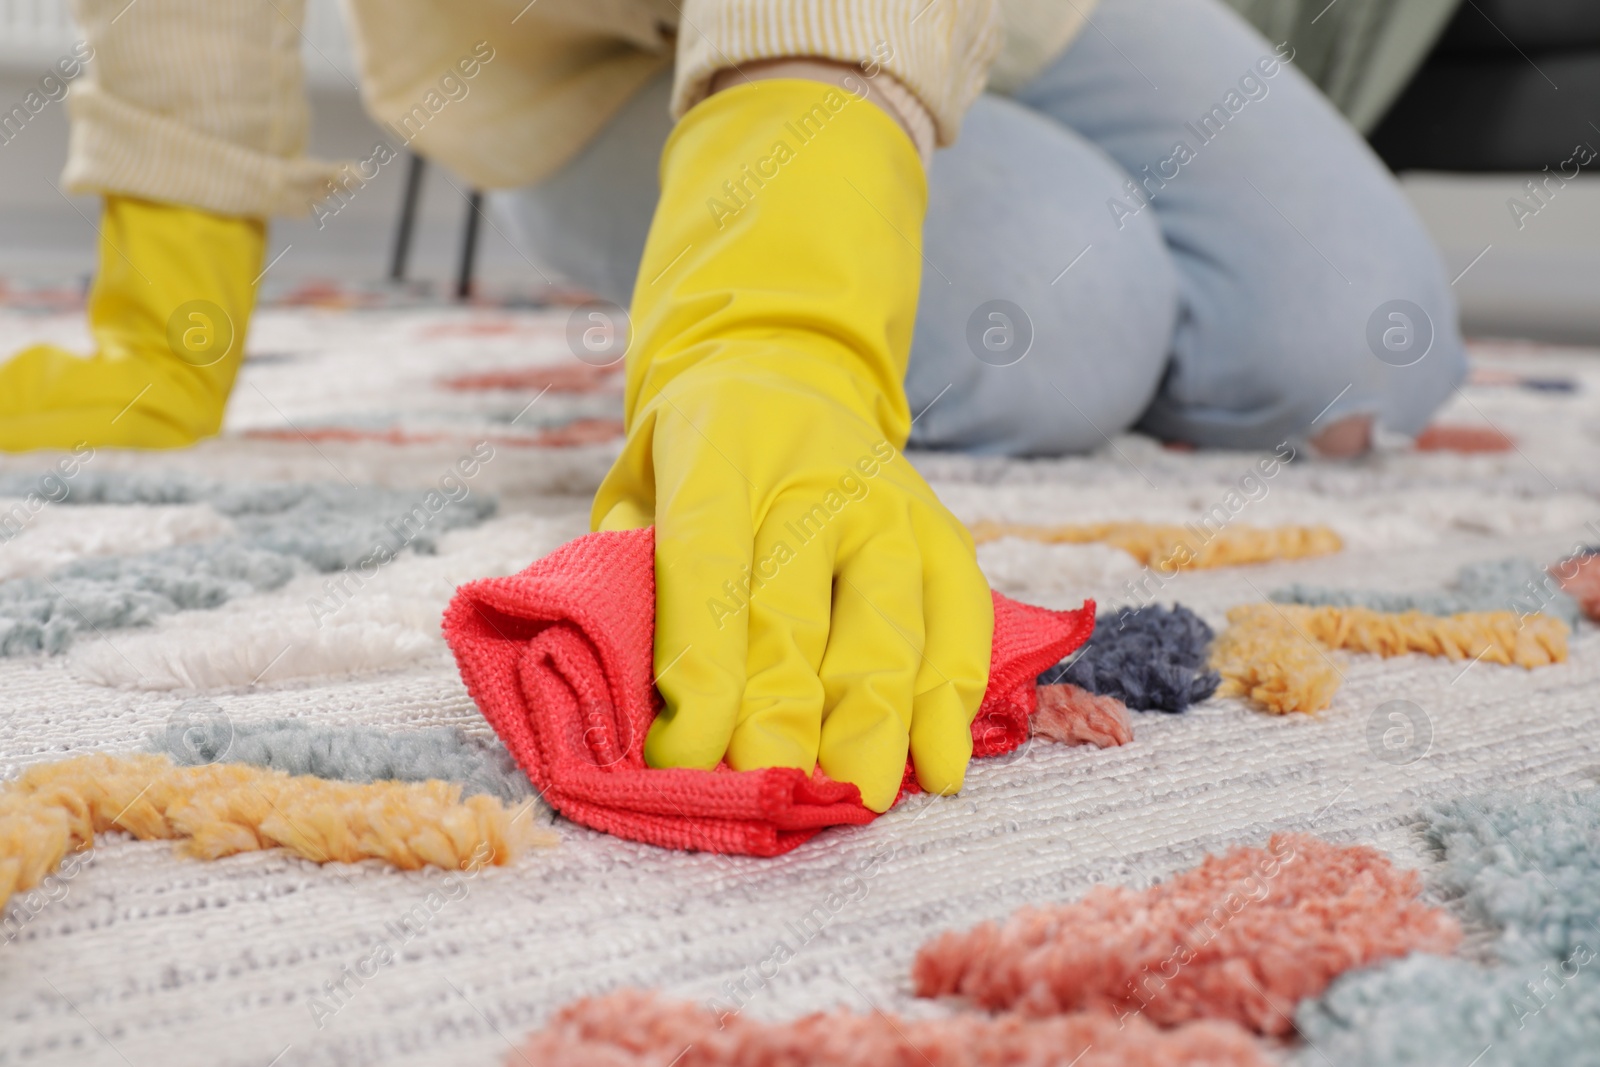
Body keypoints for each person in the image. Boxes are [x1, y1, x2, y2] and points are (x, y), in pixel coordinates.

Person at [0, 0, 1464, 813]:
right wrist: (169, 295)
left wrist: (784, 312)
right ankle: (631, 201)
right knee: (1061, 326)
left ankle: (907, 119)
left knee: (1352, 355)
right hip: (561, 47)